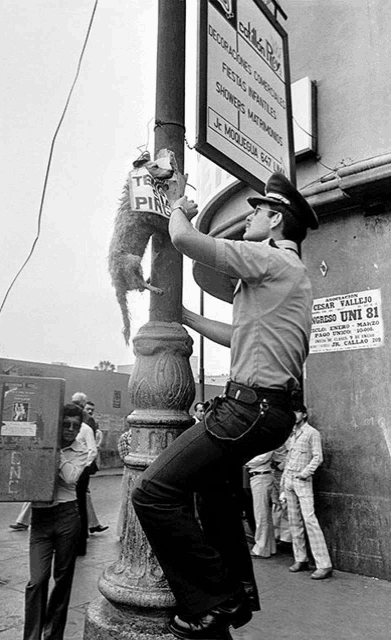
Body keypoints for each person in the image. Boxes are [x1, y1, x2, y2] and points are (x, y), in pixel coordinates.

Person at [131, 172, 319, 640]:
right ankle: (234, 592)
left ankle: (213, 600)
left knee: (152, 492)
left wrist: (177, 202)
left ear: (276, 220)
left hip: (245, 410)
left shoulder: (268, 259)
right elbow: (239, 337)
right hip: (266, 412)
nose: (249, 217)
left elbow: (183, 238)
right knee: (213, 497)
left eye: (257, 211)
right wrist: (185, 316)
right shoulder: (291, 277)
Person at [23, 403, 88, 640]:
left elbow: (70, 477)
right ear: (57, 424)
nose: (71, 430)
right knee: (37, 580)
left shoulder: (81, 450)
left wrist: (53, 451)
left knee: (62, 580)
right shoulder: (41, 441)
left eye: (76, 426)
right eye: (66, 424)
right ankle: (31, 636)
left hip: (67, 516)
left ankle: (53, 636)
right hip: (41, 517)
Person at [281, 404, 333, 580]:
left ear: (304, 414)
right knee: (294, 522)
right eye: (292, 412)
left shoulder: (312, 433)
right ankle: (300, 559)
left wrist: (304, 473)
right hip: (289, 481)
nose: (294, 415)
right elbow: (288, 459)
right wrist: (283, 484)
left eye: (297, 412)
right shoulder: (292, 434)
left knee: (310, 520)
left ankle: (324, 564)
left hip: (302, 481)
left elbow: (318, 457)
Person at [71, 392, 98, 554]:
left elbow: (92, 450)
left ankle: (80, 543)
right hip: (70, 469)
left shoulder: (87, 425)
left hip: (81, 471)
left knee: (80, 505)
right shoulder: (72, 423)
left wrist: (83, 466)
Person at [84, 400, 109, 534]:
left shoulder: (89, 423)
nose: (90, 412)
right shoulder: (85, 424)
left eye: (91, 410)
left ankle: (92, 523)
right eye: (87, 409)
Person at [246, 452, 277, 558]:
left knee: (261, 514)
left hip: (261, 476)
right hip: (259, 475)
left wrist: (246, 461)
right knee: (265, 515)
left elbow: (262, 458)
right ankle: (270, 546)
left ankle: (261, 547)